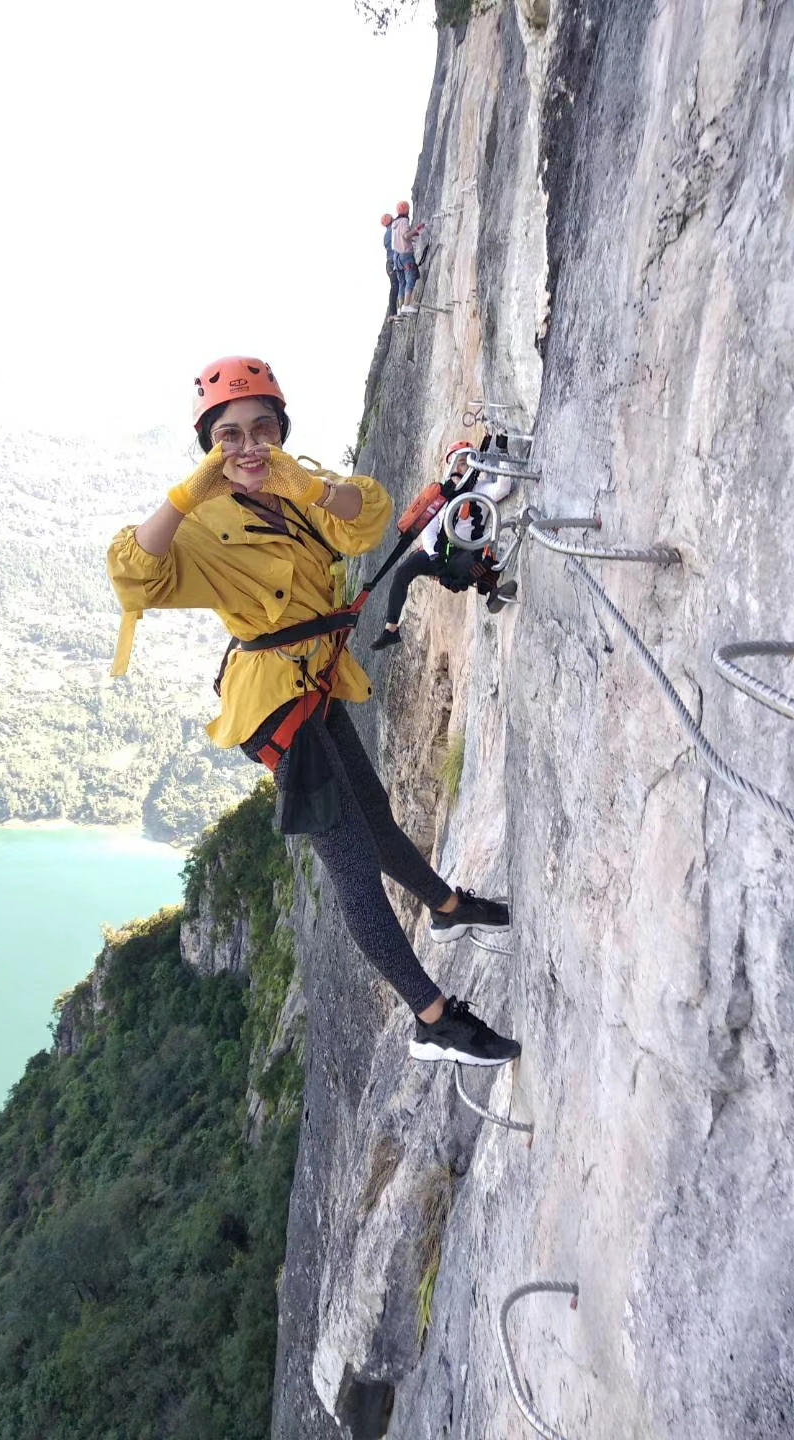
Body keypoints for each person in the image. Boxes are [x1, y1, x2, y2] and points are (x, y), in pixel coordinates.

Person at [108, 356, 521, 1068]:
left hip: (317, 681)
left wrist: (307, 483)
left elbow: (371, 519)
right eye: (227, 435)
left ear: (279, 429)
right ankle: (431, 1018)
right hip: (273, 706)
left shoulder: (299, 487)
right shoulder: (202, 522)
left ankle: (447, 909)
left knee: (378, 815)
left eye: (260, 428)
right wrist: (185, 494)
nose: (246, 447)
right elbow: (132, 576)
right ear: (209, 446)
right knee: (353, 865)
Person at [370, 438, 519, 651]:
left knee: (474, 564)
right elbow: (428, 529)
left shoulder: (480, 489)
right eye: (456, 463)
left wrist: (503, 450)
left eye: (464, 462)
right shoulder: (442, 496)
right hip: (438, 553)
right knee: (403, 571)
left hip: (464, 552)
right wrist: (435, 559)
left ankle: (492, 593)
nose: (460, 468)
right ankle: (391, 629)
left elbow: (503, 487)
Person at [391, 200, 424, 316]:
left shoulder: (394, 224)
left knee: (402, 283)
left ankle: (400, 309)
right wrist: (415, 230)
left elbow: (400, 238)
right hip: (406, 255)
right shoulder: (404, 221)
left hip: (397, 257)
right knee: (410, 278)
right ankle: (406, 305)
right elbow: (405, 235)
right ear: (406, 210)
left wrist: (413, 234)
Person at [380, 212, 399, 319]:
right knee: (397, 285)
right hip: (393, 262)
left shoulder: (386, 235)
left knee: (394, 286)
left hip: (389, 264)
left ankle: (393, 313)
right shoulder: (393, 231)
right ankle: (394, 312)